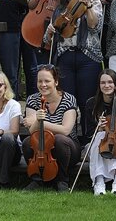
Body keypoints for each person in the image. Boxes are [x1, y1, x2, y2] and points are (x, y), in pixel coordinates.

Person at [44, 0, 103, 108]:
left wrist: (88, 7)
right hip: (65, 57)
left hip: (88, 57)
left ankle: (87, 124)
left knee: (87, 101)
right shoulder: (61, 7)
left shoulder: (94, 2)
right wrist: (50, 31)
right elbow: (47, 40)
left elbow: (94, 27)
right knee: (66, 102)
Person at [22, 64, 80, 192]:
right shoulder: (32, 100)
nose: (43, 85)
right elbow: (32, 132)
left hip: (67, 148)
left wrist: (40, 122)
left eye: (47, 81)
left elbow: (66, 130)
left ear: (56, 82)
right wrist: (37, 121)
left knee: (59, 139)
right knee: (27, 142)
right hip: (42, 148)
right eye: (40, 81)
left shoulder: (68, 99)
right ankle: (37, 179)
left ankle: (62, 180)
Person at [83, 69, 116, 196]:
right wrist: (99, 128)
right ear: (99, 85)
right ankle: (99, 181)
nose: (106, 86)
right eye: (103, 83)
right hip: (96, 147)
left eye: (110, 82)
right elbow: (87, 135)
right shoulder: (91, 104)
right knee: (100, 135)